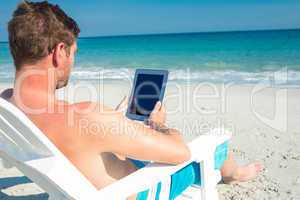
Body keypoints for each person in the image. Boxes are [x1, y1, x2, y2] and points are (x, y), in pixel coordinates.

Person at [1, 1, 262, 199]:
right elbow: (180, 153)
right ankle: (233, 174)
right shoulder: (86, 116)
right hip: (135, 191)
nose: (72, 62)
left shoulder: (6, 105)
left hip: (84, 171)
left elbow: (73, 137)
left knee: (124, 135)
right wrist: (159, 125)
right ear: (59, 52)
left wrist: (112, 125)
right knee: (217, 147)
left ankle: (231, 173)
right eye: (73, 53)